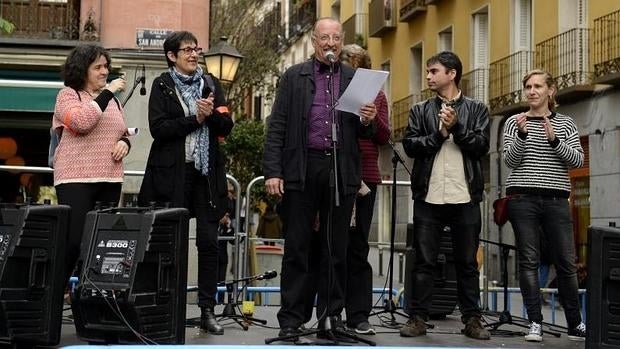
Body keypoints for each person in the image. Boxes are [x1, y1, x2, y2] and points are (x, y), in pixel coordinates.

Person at [263, 17, 377, 341]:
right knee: (297, 246)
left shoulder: (354, 78)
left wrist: (367, 120)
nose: (330, 43)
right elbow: (277, 126)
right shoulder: (294, 77)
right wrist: (273, 171)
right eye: (324, 38)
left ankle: (331, 317)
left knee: (336, 247)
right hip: (302, 166)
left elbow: (366, 132)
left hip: (341, 169)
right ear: (314, 41)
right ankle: (291, 319)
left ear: (342, 42)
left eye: (336, 38)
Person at [138, 30, 233, 335]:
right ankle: (168, 306)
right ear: (172, 56)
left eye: (196, 49)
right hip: (171, 175)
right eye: (187, 50)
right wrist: (196, 118)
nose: (194, 54)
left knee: (209, 244)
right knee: (170, 245)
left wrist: (210, 116)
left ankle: (207, 310)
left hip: (206, 176)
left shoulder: (210, 83)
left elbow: (226, 125)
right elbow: (159, 129)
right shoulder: (162, 85)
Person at [400, 51, 490, 340]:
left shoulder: (477, 109)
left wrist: (457, 128)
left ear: (452, 74)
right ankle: (417, 319)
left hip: (464, 195)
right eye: (427, 71)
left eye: (433, 71)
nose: (428, 76)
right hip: (429, 195)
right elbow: (411, 145)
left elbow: (481, 147)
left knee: (467, 262)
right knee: (424, 261)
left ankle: (473, 320)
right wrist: (439, 134)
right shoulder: (419, 109)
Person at [503, 69, 586, 342]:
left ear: (551, 91)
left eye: (538, 86)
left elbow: (576, 160)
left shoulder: (566, 123)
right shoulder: (514, 122)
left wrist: (554, 140)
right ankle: (535, 323)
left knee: (565, 262)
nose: (532, 91)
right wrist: (523, 135)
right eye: (528, 86)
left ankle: (575, 323)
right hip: (522, 198)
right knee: (528, 261)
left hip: (556, 199)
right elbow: (509, 161)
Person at [52, 44, 129, 284]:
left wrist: (125, 142)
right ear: (82, 70)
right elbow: (81, 121)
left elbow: (122, 131)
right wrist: (108, 93)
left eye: (106, 66)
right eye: (98, 67)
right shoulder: (67, 96)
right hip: (76, 178)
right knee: (74, 242)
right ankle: (54, 291)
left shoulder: (113, 102)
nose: (105, 71)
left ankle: (85, 302)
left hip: (109, 178)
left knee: (99, 245)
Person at [339, 44, 391, 335]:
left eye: (357, 68)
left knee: (358, 247)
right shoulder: (328, 92)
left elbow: (384, 137)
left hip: (364, 178)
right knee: (333, 246)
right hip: (335, 174)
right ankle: (331, 311)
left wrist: (371, 118)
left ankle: (358, 315)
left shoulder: (377, 96)